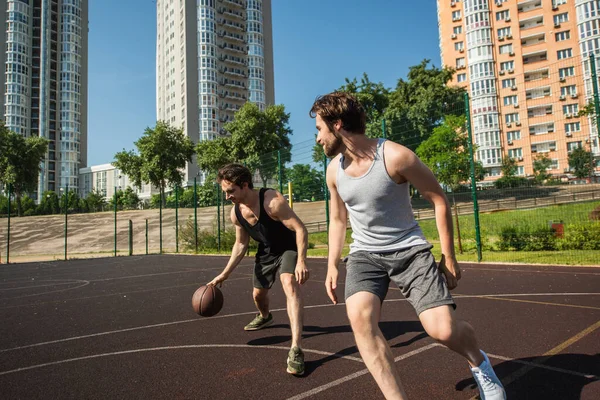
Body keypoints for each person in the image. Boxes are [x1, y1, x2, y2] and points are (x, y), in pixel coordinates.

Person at [310, 92, 506, 399]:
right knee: (360, 319)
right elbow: (337, 218)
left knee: (442, 330)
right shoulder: (334, 170)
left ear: (337, 125)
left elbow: (438, 198)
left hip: (409, 250)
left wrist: (449, 256)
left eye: (319, 130)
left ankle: (480, 363)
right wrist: (332, 264)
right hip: (365, 254)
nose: (318, 139)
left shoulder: (396, 156)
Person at [207, 163, 309, 376]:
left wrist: (301, 261)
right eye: (225, 192)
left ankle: (296, 348)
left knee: (289, 283)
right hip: (266, 253)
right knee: (258, 295)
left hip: (288, 248)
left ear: (244, 185)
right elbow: (241, 244)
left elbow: (300, 228)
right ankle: (265, 316)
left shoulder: (272, 201)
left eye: (230, 191)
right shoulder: (236, 213)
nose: (227, 197)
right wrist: (224, 274)